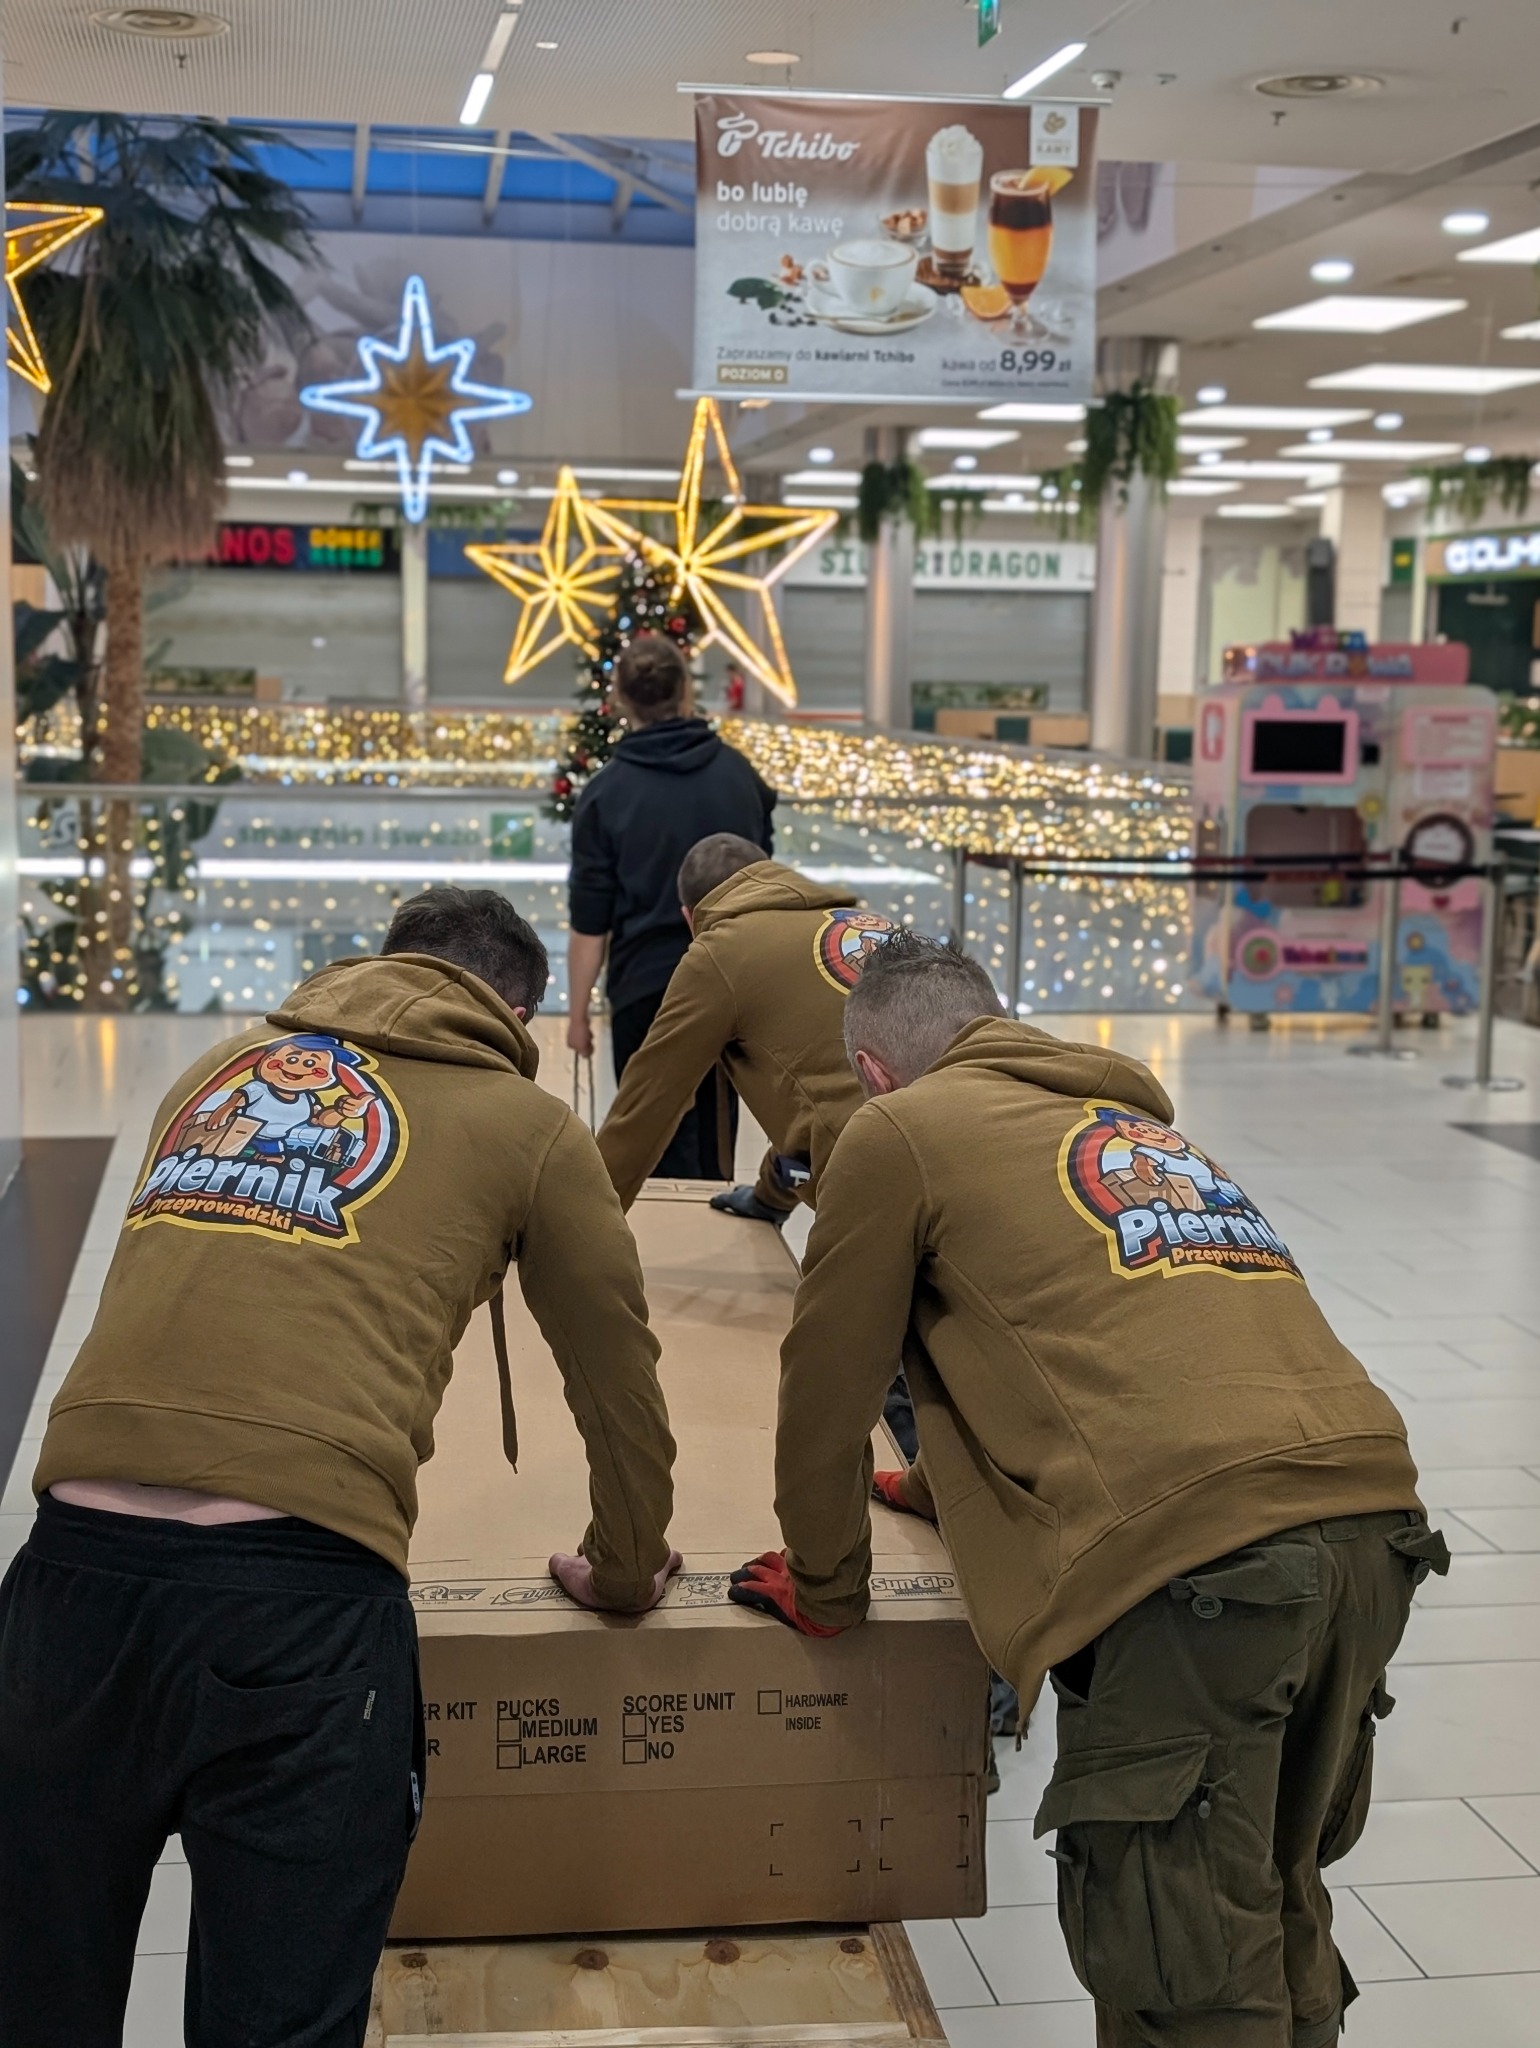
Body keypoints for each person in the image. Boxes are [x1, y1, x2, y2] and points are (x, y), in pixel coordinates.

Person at [730, 932, 1447, 2048]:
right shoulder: (1136, 1125)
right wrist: (936, 1486)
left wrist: (828, 1582)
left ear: (872, 1070)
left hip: (1204, 1569)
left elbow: (823, 1388)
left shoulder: (898, 1130)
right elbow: (1111, 1344)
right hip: (1372, 1521)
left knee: (1180, 1960)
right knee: (1270, 1886)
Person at [0, 887, 680, 2048]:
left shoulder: (216, 1069)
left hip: (62, 1585)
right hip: (297, 1604)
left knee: (35, 2007)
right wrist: (623, 1565)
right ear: (514, 1009)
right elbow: (616, 1379)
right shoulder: (524, 1123)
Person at [594, 832, 895, 1224]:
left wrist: (572, 1226)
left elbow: (648, 1103)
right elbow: (828, 1086)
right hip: (982, 1134)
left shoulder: (721, 951)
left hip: (887, 1181)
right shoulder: (872, 924)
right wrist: (771, 1196)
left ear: (689, 916)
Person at [566, 634, 775, 1180]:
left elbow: (591, 921)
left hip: (643, 989)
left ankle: (658, 1251)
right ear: (686, 691)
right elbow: (764, 886)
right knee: (713, 1138)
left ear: (618, 700)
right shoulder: (739, 777)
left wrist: (578, 1014)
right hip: (729, 978)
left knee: (649, 1134)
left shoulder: (605, 793)